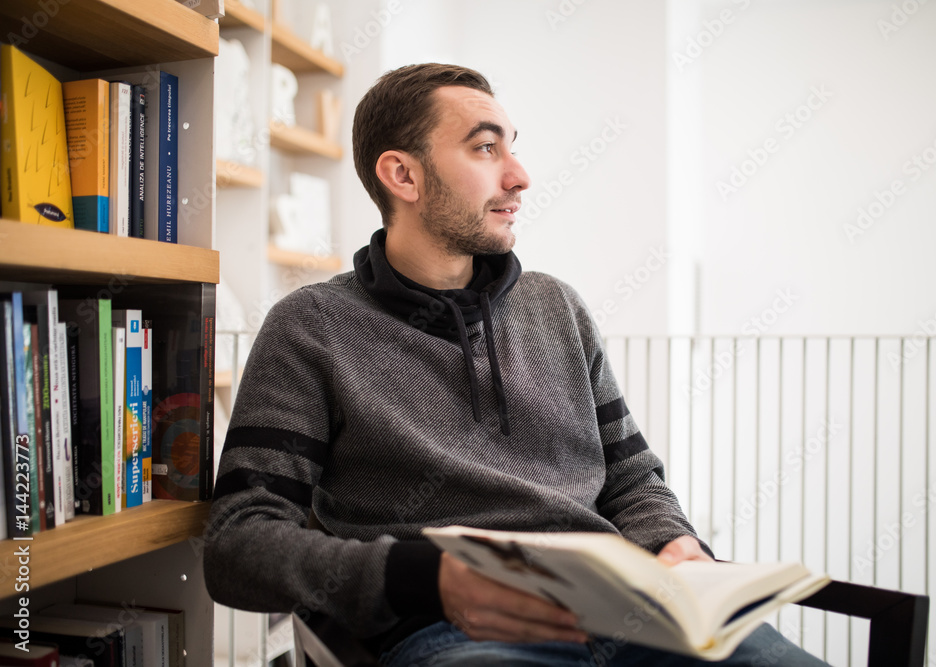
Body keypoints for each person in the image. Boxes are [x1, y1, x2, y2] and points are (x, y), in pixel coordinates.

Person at [203, 63, 829, 667]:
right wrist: (425, 577)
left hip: (635, 617)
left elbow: (632, 481)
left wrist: (674, 544)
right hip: (455, 630)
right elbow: (237, 544)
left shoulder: (556, 307)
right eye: (484, 149)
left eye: (513, 149)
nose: (520, 176)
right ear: (403, 174)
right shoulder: (310, 326)